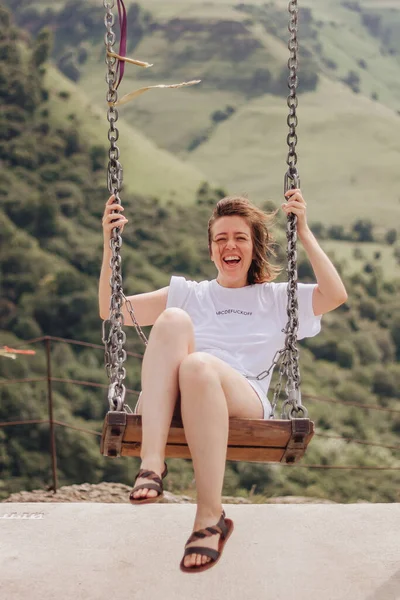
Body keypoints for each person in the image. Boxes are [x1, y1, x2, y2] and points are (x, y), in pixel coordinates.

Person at [99, 189, 348, 573]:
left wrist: (305, 234)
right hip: (170, 397)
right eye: (221, 239)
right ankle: (152, 464)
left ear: (254, 245)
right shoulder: (189, 293)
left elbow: (335, 294)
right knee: (172, 320)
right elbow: (111, 310)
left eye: (240, 237)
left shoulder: (277, 298)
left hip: (240, 396)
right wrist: (108, 242)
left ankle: (209, 515)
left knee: (199, 365)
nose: (229, 246)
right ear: (211, 250)